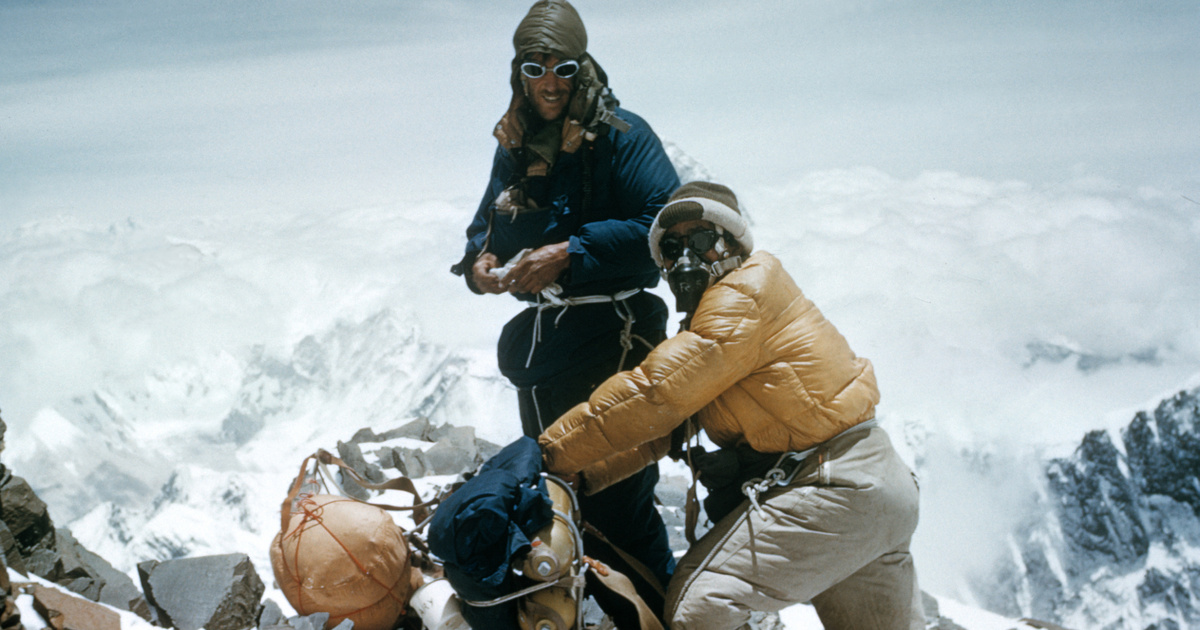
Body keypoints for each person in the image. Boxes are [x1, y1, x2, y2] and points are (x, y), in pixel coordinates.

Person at [539, 181, 925, 629]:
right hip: (876, 491)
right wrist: (580, 473)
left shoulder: (742, 296)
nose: (686, 255)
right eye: (671, 244)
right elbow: (664, 431)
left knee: (699, 607)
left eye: (702, 239)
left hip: (835, 488)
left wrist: (548, 453)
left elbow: (654, 396)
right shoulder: (725, 320)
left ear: (735, 244)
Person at [449, 0, 679, 626]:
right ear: (518, 72)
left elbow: (664, 226)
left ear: (585, 68)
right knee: (558, 493)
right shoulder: (515, 144)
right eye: (535, 67)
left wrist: (569, 253)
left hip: (616, 340)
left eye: (563, 67)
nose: (549, 82)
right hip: (548, 354)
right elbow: (481, 229)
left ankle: (661, 613)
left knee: (619, 499)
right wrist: (479, 266)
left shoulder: (624, 136)